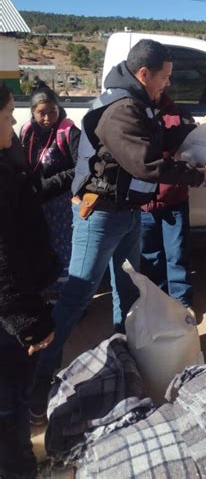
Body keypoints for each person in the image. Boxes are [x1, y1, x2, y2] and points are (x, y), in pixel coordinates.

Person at [30, 39, 206, 424]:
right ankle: (35, 389)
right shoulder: (120, 109)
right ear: (143, 74)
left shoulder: (138, 103)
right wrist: (199, 175)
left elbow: (154, 140)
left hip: (127, 212)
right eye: (164, 78)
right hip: (99, 215)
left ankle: (125, 358)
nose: (167, 84)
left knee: (129, 288)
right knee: (75, 299)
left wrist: (191, 131)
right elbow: (146, 164)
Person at [0, 83, 59, 478]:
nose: (15, 120)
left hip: (14, 303)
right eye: (7, 115)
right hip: (8, 314)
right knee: (8, 403)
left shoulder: (6, 155)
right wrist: (26, 318)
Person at [20, 88, 80, 301]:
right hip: (35, 202)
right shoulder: (28, 132)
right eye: (41, 113)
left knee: (63, 249)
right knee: (40, 245)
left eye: (52, 112)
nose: (47, 118)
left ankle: (66, 300)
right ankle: (46, 294)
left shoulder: (69, 132)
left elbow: (80, 167)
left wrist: (49, 184)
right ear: (33, 112)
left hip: (60, 203)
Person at [140, 95, 196, 312]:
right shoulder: (134, 112)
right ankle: (157, 302)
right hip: (143, 202)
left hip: (174, 199)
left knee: (177, 254)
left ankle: (181, 304)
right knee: (150, 256)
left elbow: (192, 144)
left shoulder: (179, 113)